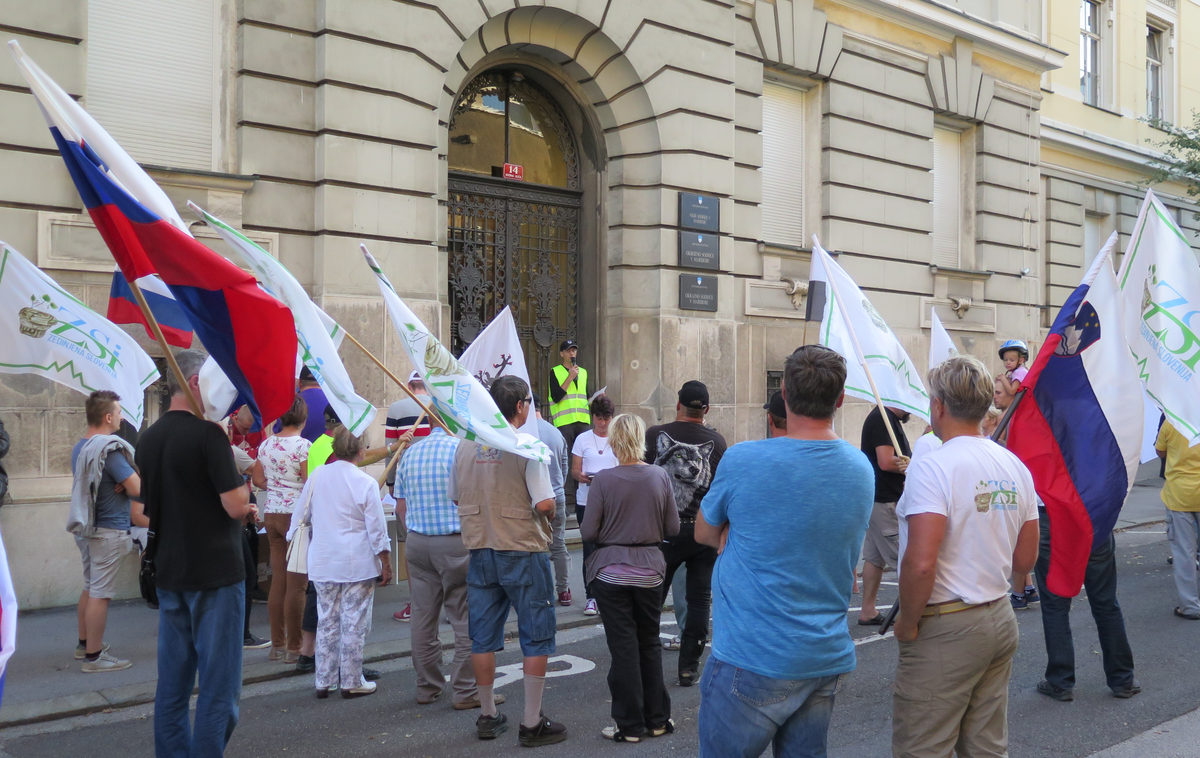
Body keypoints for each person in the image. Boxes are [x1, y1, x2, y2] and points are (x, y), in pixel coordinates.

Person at [694, 345, 873, 756]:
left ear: (785, 396)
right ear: (840, 399)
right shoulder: (860, 468)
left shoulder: (743, 459)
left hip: (752, 654)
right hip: (821, 655)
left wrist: (732, 531)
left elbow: (705, 533)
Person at [891, 356, 1039, 758]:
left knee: (922, 746)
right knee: (986, 747)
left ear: (938, 406)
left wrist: (906, 623)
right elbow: (1025, 560)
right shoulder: (1014, 465)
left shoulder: (933, 466)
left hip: (947, 622)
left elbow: (922, 563)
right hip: (998, 615)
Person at [137, 349, 257, 757]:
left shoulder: (148, 437)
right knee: (220, 691)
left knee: (171, 687)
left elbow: (146, 509)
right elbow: (236, 506)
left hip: (169, 572)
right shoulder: (208, 435)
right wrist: (246, 489)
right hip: (216, 574)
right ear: (192, 382)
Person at [449, 375, 565, 747]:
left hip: (481, 548)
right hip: (523, 549)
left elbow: (456, 496)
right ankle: (531, 721)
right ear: (519, 406)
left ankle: (487, 714)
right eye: (528, 401)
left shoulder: (465, 445)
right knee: (536, 635)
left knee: (480, 636)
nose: (530, 407)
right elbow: (545, 503)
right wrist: (547, 515)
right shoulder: (525, 445)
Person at [581, 413, 680, 743]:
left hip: (610, 572)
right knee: (649, 642)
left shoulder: (604, 480)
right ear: (642, 440)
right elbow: (673, 528)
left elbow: (588, 530)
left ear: (612, 440)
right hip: (650, 571)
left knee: (623, 647)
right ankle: (658, 719)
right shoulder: (659, 476)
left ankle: (630, 725)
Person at [396, 417, 503, 711]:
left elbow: (400, 506)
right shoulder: (463, 449)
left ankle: (426, 687)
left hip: (418, 542)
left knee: (422, 618)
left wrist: (414, 534)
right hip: (457, 542)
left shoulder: (411, 452)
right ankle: (466, 691)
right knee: (467, 617)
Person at [291, 427, 392, 698]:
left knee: (327, 620)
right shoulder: (365, 482)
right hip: (356, 562)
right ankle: (351, 679)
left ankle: (324, 680)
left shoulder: (317, 476)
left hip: (323, 560)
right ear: (362, 451)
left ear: (335, 449)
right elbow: (377, 530)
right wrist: (386, 561)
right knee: (354, 622)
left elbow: (301, 514)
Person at [645, 380, 726, 687]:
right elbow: (720, 490)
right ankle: (688, 668)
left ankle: (646, 664)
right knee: (698, 602)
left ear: (677, 405)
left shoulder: (654, 435)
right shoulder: (717, 443)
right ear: (706, 410)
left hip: (661, 532)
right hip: (701, 533)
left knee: (652, 599)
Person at [69, 390, 149, 672]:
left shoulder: (81, 446)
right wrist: (129, 479)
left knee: (90, 587)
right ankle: (94, 657)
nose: (121, 417)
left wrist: (121, 481)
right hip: (108, 528)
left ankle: (84, 644)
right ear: (107, 417)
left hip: (87, 527)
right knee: (100, 594)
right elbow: (138, 488)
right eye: (118, 412)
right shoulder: (109, 449)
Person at [1034, 506, 1138, 701]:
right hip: (1093, 515)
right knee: (1105, 603)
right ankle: (1122, 679)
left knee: (1054, 605)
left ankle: (1060, 680)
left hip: (1052, 516)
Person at [251, 395, 311, 662]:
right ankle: (295, 647)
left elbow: (258, 479)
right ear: (303, 418)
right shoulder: (304, 446)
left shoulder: (266, 445)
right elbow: (309, 482)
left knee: (278, 580)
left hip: (272, 512)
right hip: (295, 516)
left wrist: (277, 488)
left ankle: (278, 644)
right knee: (297, 584)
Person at [386, 371, 434, 622]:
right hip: (436, 479)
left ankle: (416, 603)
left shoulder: (396, 408)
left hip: (408, 479)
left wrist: (391, 483)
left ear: (408, 386)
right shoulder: (438, 406)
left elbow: (391, 448)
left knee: (411, 542)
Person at [857, 403, 911, 626]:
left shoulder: (885, 418)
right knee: (906, 560)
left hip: (878, 497)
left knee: (874, 557)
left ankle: (868, 610)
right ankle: (915, 615)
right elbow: (886, 461)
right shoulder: (882, 419)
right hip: (884, 500)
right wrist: (913, 465)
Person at [571, 394, 618, 616]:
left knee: (610, 547)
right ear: (593, 417)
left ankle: (608, 594)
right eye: (598, 418)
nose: (602, 422)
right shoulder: (583, 439)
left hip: (611, 500)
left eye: (606, 418)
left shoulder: (618, 439)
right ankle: (591, 597)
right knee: (589, 549)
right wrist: (580, 476)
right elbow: (574, 469)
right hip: (586, 500)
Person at [1155, 420, 1200, 619]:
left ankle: (1190, 606)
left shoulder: (1172, 422)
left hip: (1179, 495)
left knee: (1184, 553)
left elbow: (1161, 452)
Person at [535, 409, 572, 606]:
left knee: (534, 546)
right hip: (556, 494)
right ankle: (564, 590)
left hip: (534, 497)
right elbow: (565, 464)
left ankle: (541, 591)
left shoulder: (526, 432)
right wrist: (558, 485)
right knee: (558, 544)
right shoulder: (556, 432)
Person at [548, 339, 590, 455]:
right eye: (568, 351)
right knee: (566, 456)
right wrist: (570, 377)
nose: (572, 353)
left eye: (574, 350)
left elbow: (586, 396)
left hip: (583, 421)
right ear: (562, 354)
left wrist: (597, 399)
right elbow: (556, 397)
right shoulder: (555, 372)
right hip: (564, 423)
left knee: (584, 455)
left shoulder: (583, 372)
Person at [295, 366, 330, 443]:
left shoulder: (291, 404)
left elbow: (279, 431)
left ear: (300, 384)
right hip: (324, 454)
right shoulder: (334, 405)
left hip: (293, 453)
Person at [994, 339, 1029, 405]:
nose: (1008, 363)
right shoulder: (1015, 372)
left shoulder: (1020, 372)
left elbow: (1012, 391)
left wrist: (1003, 378)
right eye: (1005, 360)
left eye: (1012, 360)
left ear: (1021, 360)